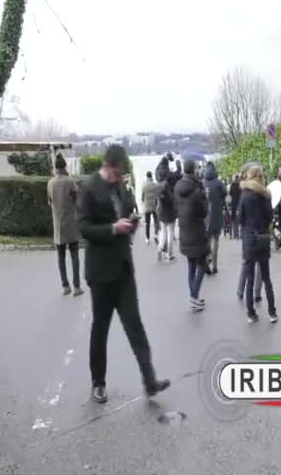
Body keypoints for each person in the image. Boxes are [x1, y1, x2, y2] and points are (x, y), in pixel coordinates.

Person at [78, 144, 170, 404]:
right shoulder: (89, 189)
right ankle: (98, 383)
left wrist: (132, 221)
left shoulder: (120, 187)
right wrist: (112, 228)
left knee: (135, 326)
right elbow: (83, 228)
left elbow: (127, 211)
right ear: (107, 166)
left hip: (123, 270)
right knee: (100, 329)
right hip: (100, 273)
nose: (119, 179)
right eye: (117, 174)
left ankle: (150, 381)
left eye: (122, 175)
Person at [238, 166, 277, 324]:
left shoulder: (245, 195)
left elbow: (240, 217)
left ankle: (251, 313)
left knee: (250, 278)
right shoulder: (266, 195)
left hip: (249, 237)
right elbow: (269, 217)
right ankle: (272, 312)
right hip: (263, 237)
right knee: (266, 277)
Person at [47, 153, 84, 297]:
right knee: (74, 254)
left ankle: (65, 286)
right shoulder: (70, 181)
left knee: (60, 255)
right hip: (70, 222)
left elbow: (50, 202)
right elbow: (76, 200)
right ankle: (77, 287)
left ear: (55, 168)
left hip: (58, 224)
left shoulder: (50, 183)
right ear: (65, 167)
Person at [175, 160, 210, 310]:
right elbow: (203, 212)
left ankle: (194, 297)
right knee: (202, 264)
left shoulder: (177, 187)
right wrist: (205, 196)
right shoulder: (197, 190)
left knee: (191, 265)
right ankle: (194, 296)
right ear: (194, 170)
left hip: (184, 229)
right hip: (196, 231)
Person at [203, 161, 227, 275]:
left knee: (207, 240)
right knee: (216, 240)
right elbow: (225, 193)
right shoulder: (218, 183)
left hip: (205, 216)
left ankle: (207, 260)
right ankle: (215, 265)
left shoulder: (202, 182)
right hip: (217, 214)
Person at [156, 168, 178, 262]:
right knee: (170, 233)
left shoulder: (159, 185)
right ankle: (169, 254)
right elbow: (171, 199)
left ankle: (160, 247)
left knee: (163, 232)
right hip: (170, 212)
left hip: (161, 212)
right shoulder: (167, 185)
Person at [141, 171, 161, 245]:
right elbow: (158, 196)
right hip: (154, 206)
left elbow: (142, 198)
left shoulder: (144, 185)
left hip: (147, 207)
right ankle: (156, 235)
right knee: (156, 222)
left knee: (147, 223)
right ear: (151, 176)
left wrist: (144, 202)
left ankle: (147, 238)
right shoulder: (155, 185)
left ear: (147, 176)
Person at [229, 174, 242, 240]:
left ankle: (235, 234)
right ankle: (239, 235)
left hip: (233, 203)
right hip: (239, 203)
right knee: (239, 219)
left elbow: (230, 193)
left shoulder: (232, 185)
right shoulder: (240, 185)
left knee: (233, 219)